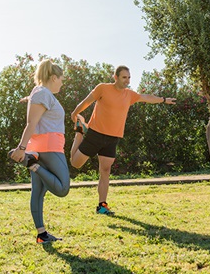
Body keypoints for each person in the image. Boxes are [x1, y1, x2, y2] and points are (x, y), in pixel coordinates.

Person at [70, 65, 176, 215]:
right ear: (116, 77)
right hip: (95, 133)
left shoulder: (129, 95)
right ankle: (79, 133)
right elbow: (87, 101)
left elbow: (146, 98)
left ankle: (102, 205)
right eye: (124, 77)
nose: (127, 81)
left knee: (105, 171)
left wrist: (164, 100)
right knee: (76, 164)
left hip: (113, 138)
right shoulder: (103, 88)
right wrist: (75, 114)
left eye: (129, 77)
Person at [9, 59, 70, 243]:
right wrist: (21, 148)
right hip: (49, 147)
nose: (62, 82)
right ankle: (32, 164)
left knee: (38, 192)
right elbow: (31, 123)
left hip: (40, 147)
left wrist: (28, 99)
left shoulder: (42, 94)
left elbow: (38, 108)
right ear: (53, 77)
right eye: (61, 79)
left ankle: (42, 234)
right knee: (62, 188)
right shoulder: (43, 92)